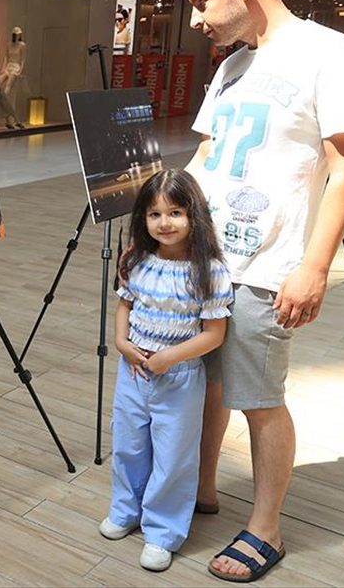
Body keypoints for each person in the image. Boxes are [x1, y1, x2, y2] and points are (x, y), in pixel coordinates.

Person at [183, 0, 344, 582]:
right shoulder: (231, 67)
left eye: (202, 1)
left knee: (258, 396)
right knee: (204, 383)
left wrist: (315, 265)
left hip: (268, 266)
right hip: (205, 264)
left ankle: (267, 528)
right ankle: (202, 489)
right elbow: (205, 160)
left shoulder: (330, 53)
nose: (195, 17)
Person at [100, 169, 232, 572]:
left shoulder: (208, 270)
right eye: (155, 214)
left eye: (175, 212)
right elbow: (125, 306)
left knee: (174, 454)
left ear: (194, 215)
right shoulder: (136, 260)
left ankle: (163, 530)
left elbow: (214, 334)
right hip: (133, 372)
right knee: (128, 444)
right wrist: (122, 344)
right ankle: (126, 509)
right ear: (142, 218)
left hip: (179, 377)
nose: (165, 223)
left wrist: (169, 358)